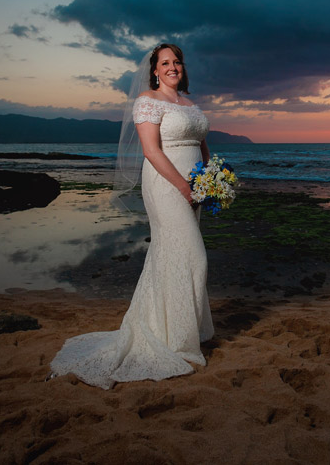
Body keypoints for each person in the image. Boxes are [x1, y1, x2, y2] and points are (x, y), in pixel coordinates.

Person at [49, 43, 214, 389]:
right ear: (154, 70)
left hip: (194, 185)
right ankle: (179, 343)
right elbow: (152, 151)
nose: (173, 67)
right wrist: (184, 188)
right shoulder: (148, 102)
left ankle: (176, 330)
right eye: (165, 62)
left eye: (177, 61)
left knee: (173, 256)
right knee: (194, 258)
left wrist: (209, 179)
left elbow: (201, 144)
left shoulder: (189, 104)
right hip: (167, 186)